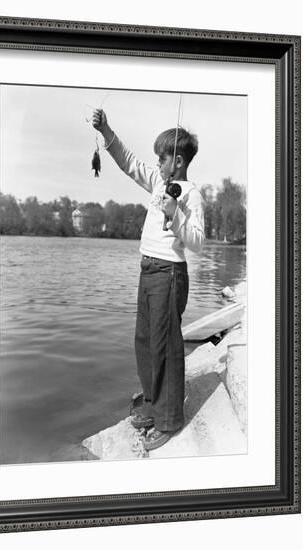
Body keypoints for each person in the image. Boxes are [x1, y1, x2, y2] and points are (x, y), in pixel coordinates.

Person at [92, 108, 205, 451]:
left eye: (162, 157)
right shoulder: (158, 182)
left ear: (179, 161)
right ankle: (154, 404)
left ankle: (169, 419)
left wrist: (176, 215)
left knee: (165, 347)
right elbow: (128, 162)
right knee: (144, 341)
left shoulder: (192, 194)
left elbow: (198, 242)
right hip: (148, 270)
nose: (156, 162)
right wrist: (106, 129)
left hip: (170, 274)